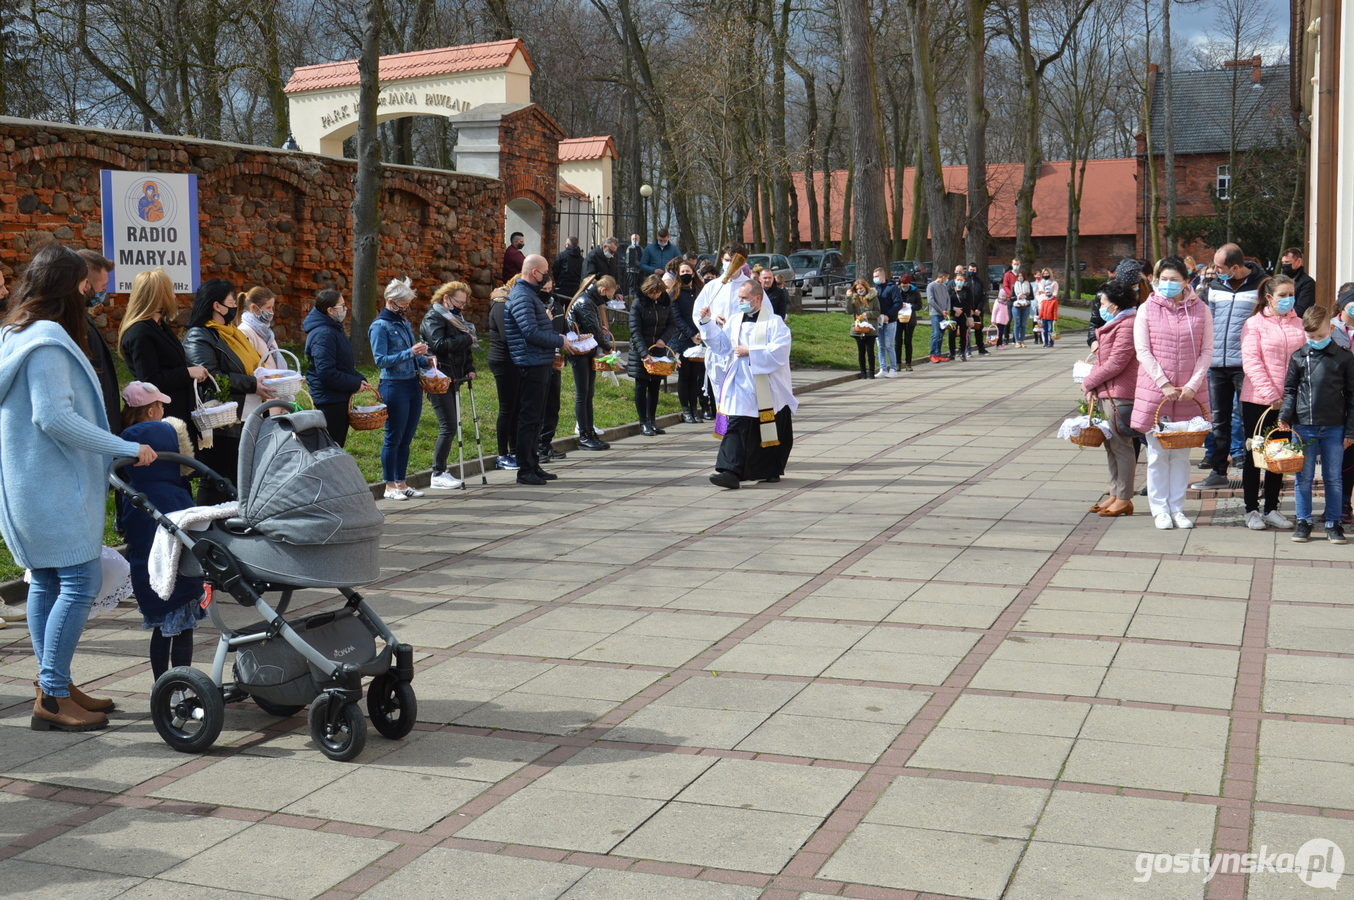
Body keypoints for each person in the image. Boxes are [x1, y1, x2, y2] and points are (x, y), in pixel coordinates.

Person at [0, 243, 154, 730]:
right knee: (80, 580)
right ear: (69, 288)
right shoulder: (46, 339)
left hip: (31, 484)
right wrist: (123, 446)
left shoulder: (16, 332)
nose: (91, 292)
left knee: (46, 580)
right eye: (85, 285)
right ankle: (50, 692)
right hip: (52, 486)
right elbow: (55, 417)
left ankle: (58, 682)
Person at [117, 381, 206, 680]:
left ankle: (161, 685)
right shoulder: (177, 492)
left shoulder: (131, 493)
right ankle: (182, 683)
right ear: (152, 411)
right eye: (162, 407)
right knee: (183, 633)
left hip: (150, 576)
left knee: (161, 632)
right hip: (181, 576)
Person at [1132, 258, 1213, 530]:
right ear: (1155, 280)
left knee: (1181, 455)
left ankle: (1177, 508)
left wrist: (1193, 383)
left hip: (1191, 392)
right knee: (1156, 454)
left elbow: (1206, 351)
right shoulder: (1146, 309)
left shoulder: (1201, 310)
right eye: (1162, 278)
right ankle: (1160, 509)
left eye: (1173, 279)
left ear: (1186, 281)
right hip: (1157, 392)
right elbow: (1143, 351)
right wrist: (1163, 383)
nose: (1167, 284)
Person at [185, 279, 276, 503]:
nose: (235, 307)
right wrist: (253, 384)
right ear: (217, 306)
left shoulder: (231, 333)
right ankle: (205, 530)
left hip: (249, 416)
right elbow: (211, 376)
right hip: (223, 423)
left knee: (239, 480)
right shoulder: (200, 335)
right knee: (218, 481)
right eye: (230, 302)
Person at [701, 280, 796, 488]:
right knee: (736, 424)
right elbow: (722, 346)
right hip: (740, 381)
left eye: (744, 298)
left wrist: (750, 351)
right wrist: (707, 323)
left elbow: (779, 351)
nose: (740, 301)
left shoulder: (774, 322)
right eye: (739, 298)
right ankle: (729, 471)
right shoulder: (734, 321)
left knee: (766, 428)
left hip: (765, 383)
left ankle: (769, 469)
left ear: (758, 299)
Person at [1278, 306, 1354, 544]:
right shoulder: (1299, 356)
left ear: (1331, 329)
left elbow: (1352, 396)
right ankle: (1304, 521)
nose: (1315, 341)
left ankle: (1333, 522)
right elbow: (1290, 390)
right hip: (1303, 426)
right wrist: (1284, 416)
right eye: (1310, 337)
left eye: (1320, 336)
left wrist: (1350, 430)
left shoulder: (1344, 358)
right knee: (1303, 477)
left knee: (1333, 477)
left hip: (1334, 426)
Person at [1193, 243, 1265, 490]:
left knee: (1249, 420)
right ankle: (1218, 471)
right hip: (1217, 365)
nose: (1215, 271)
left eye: (1220, 267)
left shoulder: (1262, 285)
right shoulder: (1214, 287)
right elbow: (1205, 320)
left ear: (1235, 267)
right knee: (1219, 420)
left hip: (1247, 365)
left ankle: (1252, 473)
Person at [505, 254, 580, 485]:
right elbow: (530, 332)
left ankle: (533, 463)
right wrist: (559, 340)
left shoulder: (530, 295)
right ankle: (525, 469)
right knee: (529, 418)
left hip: (540, 360)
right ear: (534, 272)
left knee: (537, 417)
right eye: (545, 271)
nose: (548, 275)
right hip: (530, 362)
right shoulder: (522, 296)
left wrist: (556, 336)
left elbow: (538, 328)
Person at [1238, 274, 1304, 531]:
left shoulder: (1299, 324)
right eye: (1283, 295)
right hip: (1258, 400)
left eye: (1291, 294)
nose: (1288, 299)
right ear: (1269, 297)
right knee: (1255, 455)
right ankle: (1251, 509)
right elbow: (1252, 362)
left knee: (1280, 456)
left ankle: (1272, 508)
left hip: (1289, 401)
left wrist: (1291, 398)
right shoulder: (1254, 324)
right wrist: (1271, 396)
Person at [119, 269, 211, 437]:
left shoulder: (159, 326)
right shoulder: (141, 332)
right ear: (158, 296)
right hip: (163, 417)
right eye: (170, 291)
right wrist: (187, 373)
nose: (174, 296)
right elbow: (150, 380)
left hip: (177, 412)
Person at [369, 278, 432, 500]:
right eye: (403, 304)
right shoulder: (379, 326)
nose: (405, 308)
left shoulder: (403, 323)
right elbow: (381, 360)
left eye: (407, 304)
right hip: (393, 385)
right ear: (390, 302)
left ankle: (402, 483)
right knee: (393, 436)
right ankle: (389, 486)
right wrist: (410, 353)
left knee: (406, 437)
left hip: (413, 383)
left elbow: (414, 356)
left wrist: (426, 360)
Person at [1082, 281, 1141, 518]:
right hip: (1107, 391)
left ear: (1115, 306)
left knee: (1122, 446)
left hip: (1121, 393)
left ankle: (1125, 497)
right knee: (1111, 445)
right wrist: (1093, 386)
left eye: (1104, 303)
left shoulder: (1127, 325)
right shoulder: (1116, 322)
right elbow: (1101, 359)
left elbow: (1117, 362)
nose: (1101, 307)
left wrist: (1088, 382)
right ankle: (1115, 493)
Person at [421, 281, 478, 489]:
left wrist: (469, 367)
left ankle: (441, 469)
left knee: (451, 425)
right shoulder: (433, 317)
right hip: (438, 377)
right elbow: (438, 345)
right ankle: (437, 472)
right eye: (458, 302)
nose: (461, 307)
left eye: (464, 303)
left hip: (454, 375)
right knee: (449, 425)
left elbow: (465, 349)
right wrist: (466, 339)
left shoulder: (456, 319)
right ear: (446, 299)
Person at [303, 289, 369, 447]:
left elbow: (342, 364)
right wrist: (354, 384)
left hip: (337, 398)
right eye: (342, 306)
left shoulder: (333, 328)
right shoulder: (323, 333)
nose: (346, 309)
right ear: (330, 310)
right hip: (330, 402)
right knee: (330, 449)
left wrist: (359, 379)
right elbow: (326, 372)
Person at [569, 275, 616, 449]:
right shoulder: (585, 302)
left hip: (587, 350)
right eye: (609, 294)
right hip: (580, 351)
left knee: (588, 393)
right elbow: (593, 330)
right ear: (603, 290)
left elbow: (594, 326)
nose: (609, 298)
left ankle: (589, 431)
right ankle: (584, 434)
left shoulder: (591, 301)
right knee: (583, 394)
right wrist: (608, 347)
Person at [76, 250, 121, 434]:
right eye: (102, 286)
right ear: (86, 284)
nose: (104, 292)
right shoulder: (73, 322)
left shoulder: (82, 316)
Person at [630, 273, 677, 434]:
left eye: (658, 292)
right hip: (641, 350)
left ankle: (652, 420)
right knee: (641, 385)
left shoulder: (665, 303)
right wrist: (644, 354)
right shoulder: (638, 304)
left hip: (658, 350)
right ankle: (642, 422)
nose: (655, 295)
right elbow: (635, 331)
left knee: (655, 386)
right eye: (652, 293)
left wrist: (664, 339)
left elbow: (672, 324)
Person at [535, 271, 570, 464]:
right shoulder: (534, 307)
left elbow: (563, 331)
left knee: (553, 405)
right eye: (544, 289)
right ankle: (538, 445)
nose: (547, 292)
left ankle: (547, 442)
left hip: (555, 359)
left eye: (550, 289)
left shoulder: (556, 306)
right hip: (540, 359)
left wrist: (564, 352)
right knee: (539, 405)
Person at [670, 262, 708, 423]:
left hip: (700, 338)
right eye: (682, 271)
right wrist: (691, 334)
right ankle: (685, 409)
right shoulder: (674, 293)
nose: (685, 273)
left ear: (693, 273)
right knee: (684, 376)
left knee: (696, 376)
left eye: (688, 271)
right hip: (682, 339)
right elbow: (677, 318)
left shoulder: (701, 292)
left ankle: (695, 409)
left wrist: (701, 333)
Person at [487, 286, 520, 470]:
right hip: (503, 362)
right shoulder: (499, 307)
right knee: (507, 409)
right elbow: (507, 336)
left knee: (515, 408)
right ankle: (502, 454)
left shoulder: (505, 307)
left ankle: (514, 450)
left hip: (511, 361)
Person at [238, 286, 280, 367]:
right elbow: (250, 365)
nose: (272, 311)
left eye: (272, 307)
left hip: (274, 378)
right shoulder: (244, 331)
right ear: (254, 307)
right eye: (268, 307)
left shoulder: (265, 330)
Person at [848, 278, 880, 378]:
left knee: (870, 351)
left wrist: (868, 314)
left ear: (865, 287)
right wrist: (848, 298)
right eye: (857, 289)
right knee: (861, 351)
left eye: (861, 288)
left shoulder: (873, 298)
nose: (859, 290)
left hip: (870, 328)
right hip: (858, 329)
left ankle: (871, 371)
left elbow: (877, 312)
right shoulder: (854, 298)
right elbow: (849, 311)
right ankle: (863, 372)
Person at [1281, 248, 1318, 316]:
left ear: (1298, 261)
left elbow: (1302, 309)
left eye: (1287, 262)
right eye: (1283, 263)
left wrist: (1284, 315)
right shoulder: (1280, 281)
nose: (1284, 265)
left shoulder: (1307, 282)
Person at [947, 266, 972, 361]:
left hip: (963, 314)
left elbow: (969, 302)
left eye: (961, 280)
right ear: (955, 280)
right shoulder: (951, 290)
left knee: (963, 334)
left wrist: (962, 310)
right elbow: (948, 302)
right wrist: (954, 309)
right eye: (958, 279)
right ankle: (951, 352)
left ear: (964, 280)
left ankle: (962, 352)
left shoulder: (967, 290)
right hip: (953, 314)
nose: (959, 281)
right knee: (951, 334)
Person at [895, 275, 918, 371]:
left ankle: (908, 363)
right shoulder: (897, 291)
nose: (904, 287)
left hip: (910, 320)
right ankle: (897, 363)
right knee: (898, 341)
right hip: (898, 319)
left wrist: (910, 306)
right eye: (902, 285)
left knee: (908, 341)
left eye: (906, 285)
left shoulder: (915, 292)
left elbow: (919, 305)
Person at [927, 272, 951, 363]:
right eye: (946, 278)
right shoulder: (931, 286)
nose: (947, 280)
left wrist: (947, 310)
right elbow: (931, 300)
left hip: (944, 314)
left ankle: (938, 353)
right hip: (935, 313)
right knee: (936, 333)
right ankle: (933, 354)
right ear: (943, 277)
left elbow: (948, 299)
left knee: (941, 335)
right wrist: (941, 310)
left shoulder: (944, 287)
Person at [967, 263, 990, 356]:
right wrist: (968, 309)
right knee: (966, 330)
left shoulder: (980, 282)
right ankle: (966, 349)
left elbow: (983, 297)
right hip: (968, 310)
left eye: (974, 270)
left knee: (979, 329)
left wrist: (979, 309)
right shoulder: (965, 281)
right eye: (970, 270)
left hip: (978, 310)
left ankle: (981, 348)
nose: (972, 272)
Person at [1036, 268, 1059, 348]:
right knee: (1044, 328)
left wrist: (1049, 295)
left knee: (1050, 329)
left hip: (1050, 305)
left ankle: (1050, 342)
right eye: (1044, 273)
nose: (1045, 275)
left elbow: (1055, 293)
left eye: (1047, 273)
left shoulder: (1054, 283)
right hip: (1042, 303)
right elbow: (1037, 293)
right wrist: (1040, 299)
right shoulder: (1040, 283)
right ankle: (1044, 341)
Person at [1011, 267, 1033, 347]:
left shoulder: (1028, 284)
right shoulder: (1015, 285)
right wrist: (1018, 296)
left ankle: (1022, 340)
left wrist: (1026, 297)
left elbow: (1032, 297)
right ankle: (1017, 341)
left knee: (1023, 324)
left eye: (1022, 276)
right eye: (1019, 275)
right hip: (1016, 306)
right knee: (1017, 324)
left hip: (1025, 305)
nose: (1020, 277)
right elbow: (1011, 296)